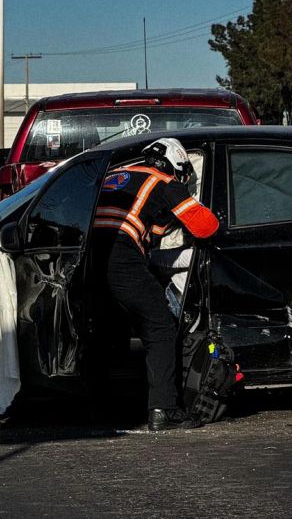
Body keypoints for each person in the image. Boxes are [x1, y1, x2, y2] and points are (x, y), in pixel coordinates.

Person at [91, 137, 220, 431]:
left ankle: (99, 405)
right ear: (174, 165)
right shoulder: (162, 180)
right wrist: (187, 201)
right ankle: (164, 409)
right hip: (121, 257)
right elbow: (206, 226)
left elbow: (151, 225)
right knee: (160, 327)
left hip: (87, 257)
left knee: (106, 329)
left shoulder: (114, 177)